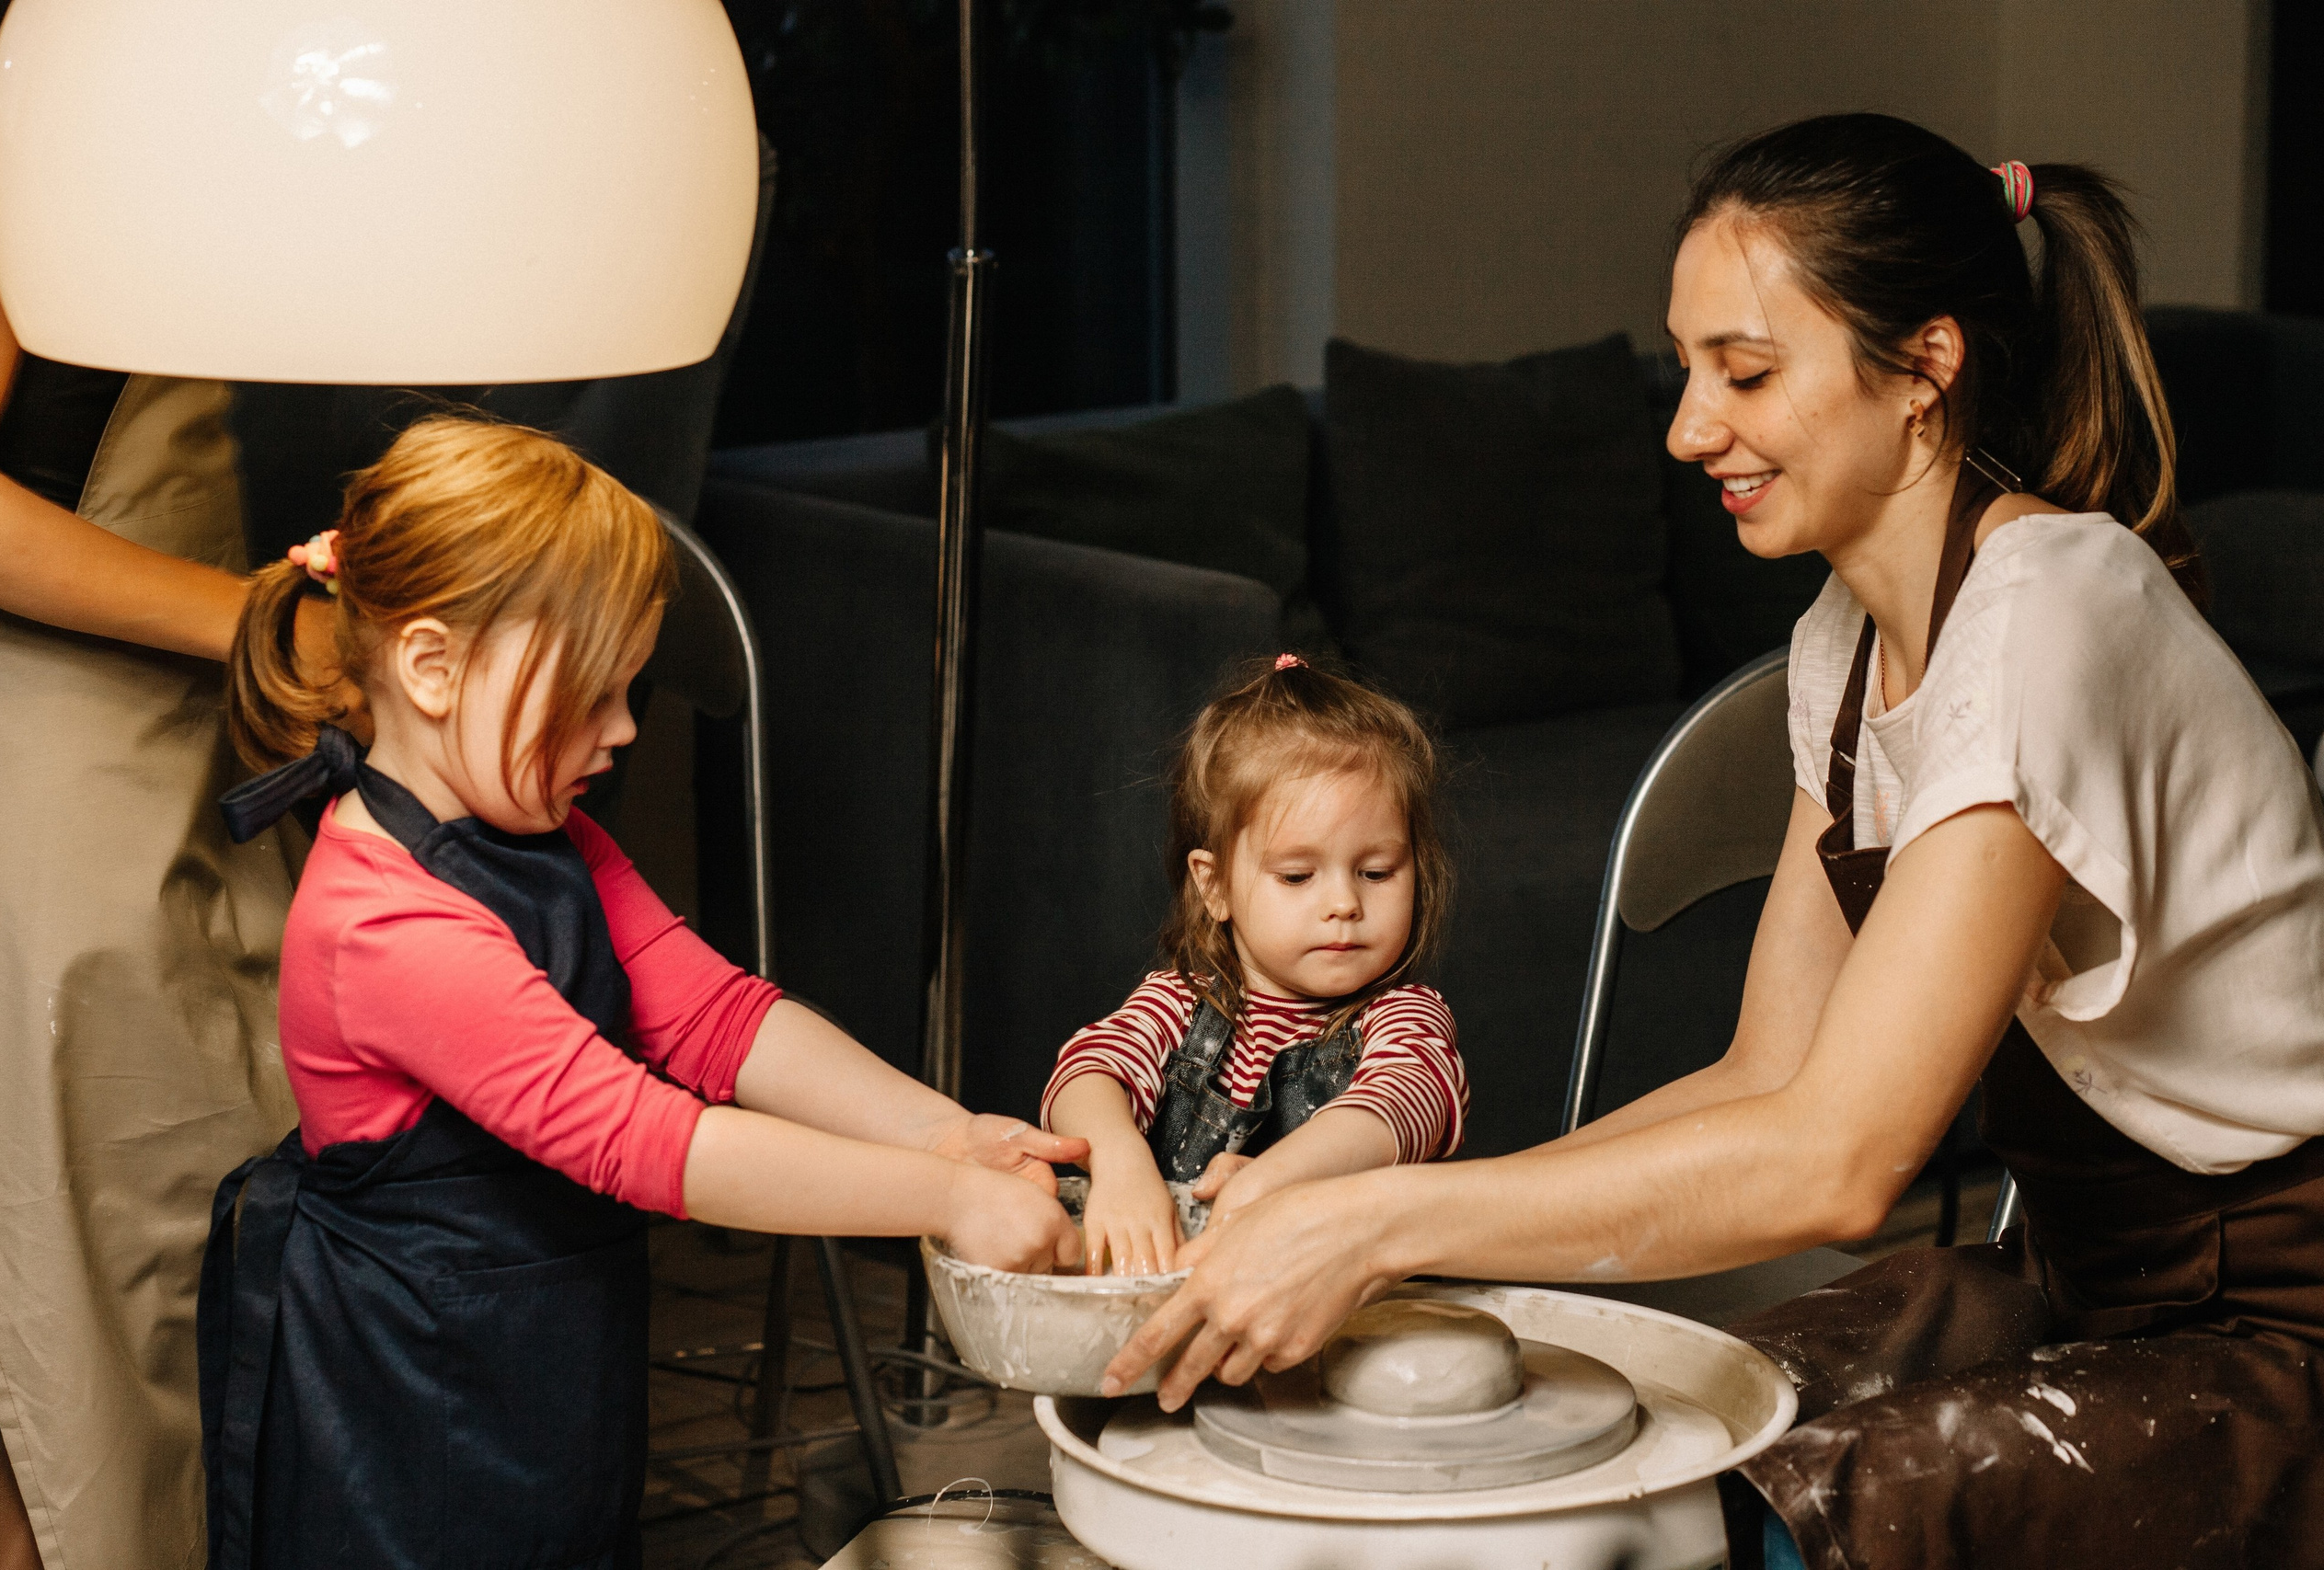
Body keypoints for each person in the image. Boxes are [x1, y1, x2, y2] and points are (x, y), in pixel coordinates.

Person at [1103, 114, 2324, 1568]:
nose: (1687, 426)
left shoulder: (2054, 614)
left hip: (2282, 1331)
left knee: (1764, 1515)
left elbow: (1838, 1160)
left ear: (1926, 368)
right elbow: (1768, 1072)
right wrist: (1377, 1217)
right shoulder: (1848, 642)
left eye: (1744, 372)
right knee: (1645, 1433)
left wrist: (1381, 1226)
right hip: (2086, 1279)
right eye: (1689, 370)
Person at [201, 417, 1081, 1569]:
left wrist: (949, 1134)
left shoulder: (541, 835)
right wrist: (940, 1199)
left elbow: (712, 1016)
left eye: (631, 690)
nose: (622, 730)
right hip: (408, 1393)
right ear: (430, 667)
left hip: (542, 1361)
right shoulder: (381, 923)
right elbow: (646, 1141)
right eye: (591, 693)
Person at [0, 5, 355, 1565]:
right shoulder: (36, 83)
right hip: (37, 728)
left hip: (165, 707)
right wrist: (261, 624)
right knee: (77, 1295)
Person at [1041, 655, 1468, 1275]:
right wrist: (1118, 1158)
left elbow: (1398, 1104)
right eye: (1298, 875)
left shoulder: (1403, 1018)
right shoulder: (1178, 1001)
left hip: (1341, 1324)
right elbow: (1085, 1072)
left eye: (1377, 871)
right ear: (1214, 885)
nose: (1345, 903)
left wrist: (1278, 1178)